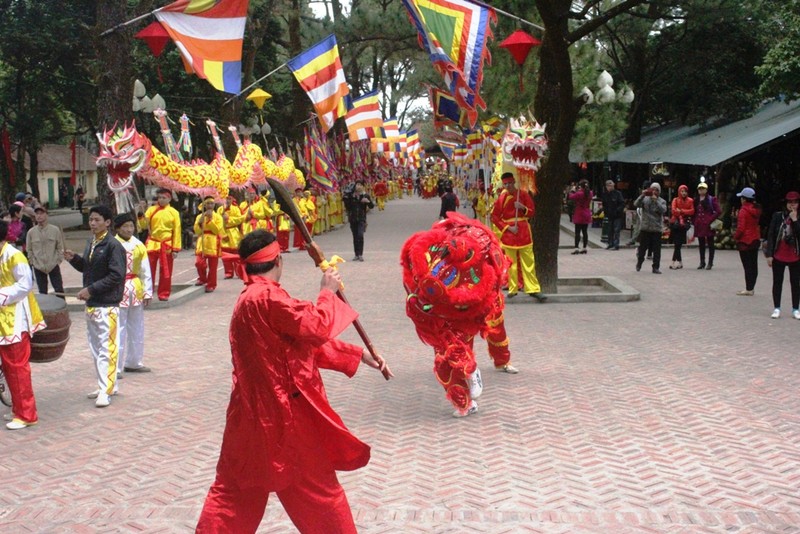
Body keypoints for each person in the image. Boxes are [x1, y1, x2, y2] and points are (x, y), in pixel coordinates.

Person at [196, 229, 390, 533]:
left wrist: (356, 354)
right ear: (278, 260)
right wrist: (326, 291)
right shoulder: (269, 297)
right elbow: (314, 327)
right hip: (287, 417)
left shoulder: (249, 298)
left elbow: (291, 346)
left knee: (234, 495)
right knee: (319, 494)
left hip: (247, 416)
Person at [64, 206, 126, 408]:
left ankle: (105, 390)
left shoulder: (113, 245)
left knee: (107, 349)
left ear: (108, 222)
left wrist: (91, 289)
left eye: (97, 220)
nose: (92, 223)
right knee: (96, 348)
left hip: (107, 304)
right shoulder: (91, 242)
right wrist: (75, 260)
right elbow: (88, 269)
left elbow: (116, 276)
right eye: (91, 220)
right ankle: (107, 384)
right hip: (92, 304)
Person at [0, 219, 46, 430]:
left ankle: (27, 414)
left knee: (16, 367)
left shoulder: (14, 255)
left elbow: (25, 284)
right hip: (3, 317)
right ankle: (18, 409)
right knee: (8, 368)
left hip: (15, 319)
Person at [491, 172, 546, 301]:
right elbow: (495, 217)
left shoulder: (523, 195)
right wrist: (508, 228)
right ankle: (512, 288)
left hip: (524, 232)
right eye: (506, 184)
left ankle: (533, 289)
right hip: (509, 234)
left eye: (510, 183)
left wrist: (522, 207)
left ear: (514, 182)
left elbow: (532, 211)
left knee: (528, 262)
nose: (508, 186)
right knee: (511, 263)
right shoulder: (502, 198)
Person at [114, 213, 153, 374]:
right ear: (118, 228)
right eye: (125, 226)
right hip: (118, 288)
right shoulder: (113, 244)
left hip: (135, 288)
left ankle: (134, 361)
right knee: (118, 328)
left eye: (131, 226)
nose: (129, 229)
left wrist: (147, 292)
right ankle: (115, 367)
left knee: (137, 326)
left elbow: (145, 269)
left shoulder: (139, 245)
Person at [765, 191, 800, 319]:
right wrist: (769, 254)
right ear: (785, 203)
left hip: (795, 256)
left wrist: (795, 220)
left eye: (795, 202)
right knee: (777, 282)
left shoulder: (798, 217)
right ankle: (776, 308)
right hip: (779, 255)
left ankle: (795, 309)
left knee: (795, 283)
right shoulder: (777, 216)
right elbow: (771, 235)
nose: (792, 205)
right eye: (790, 202)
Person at [144, 188, 182, 301]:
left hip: (167, 245)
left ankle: (164, 293)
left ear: (169, 199)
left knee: (166, 271)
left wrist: (175, 249)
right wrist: (141, 217)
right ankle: (147, 293)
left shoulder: (174, 212)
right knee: (148, 270)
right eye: (159, 197)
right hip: (153, 244)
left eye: (163, 198)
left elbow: (177, 231)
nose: (161, 200)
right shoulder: (151, 210)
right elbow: (143, 225)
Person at [25, 206, 65, 298]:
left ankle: (62, 309)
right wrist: (33, 262)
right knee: (42, 292)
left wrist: (58, 260)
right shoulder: (31, 232)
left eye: (41, 213)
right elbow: (29, 249)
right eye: (37, 214)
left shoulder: (55, 230)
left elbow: (59, 247)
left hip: (53, 264)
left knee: (59, 289)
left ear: (46, 215)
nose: (39, 216)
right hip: (38, 265)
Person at [733, 187, 762, 296]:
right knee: (754, 265)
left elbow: (741, 228)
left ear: (744, 199)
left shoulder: (743, 211)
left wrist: (735, 237)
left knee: (747, 266)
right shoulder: (757, 210)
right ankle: (751, 287)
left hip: (745, 241)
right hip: (755, 239)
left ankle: (748, 288)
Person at [634, 182, 667, 274]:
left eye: (657, 190)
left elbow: (663, 210)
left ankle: (655, 267)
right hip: (645, 228)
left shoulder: (662, 201)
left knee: (657, 250)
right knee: (642, 248)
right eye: (653, 189)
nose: (655, 191)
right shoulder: (645, 199)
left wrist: (656, 201)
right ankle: (639, 262)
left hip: (656, 229)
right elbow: (636, 204)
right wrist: (642, 195)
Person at [194, 196, 224, 293]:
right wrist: (200, 223)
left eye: (211, 203)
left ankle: (211, 284)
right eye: (208, 203)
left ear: (214, 205)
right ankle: (202, 278)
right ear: (204, 205)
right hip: (202, 241)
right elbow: (197, 231)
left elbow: (216, 230)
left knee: (213, 266)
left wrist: (210, 220)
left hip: (213, 241)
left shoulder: (218, 217)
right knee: (199, 263)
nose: (209, 205)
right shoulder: (199, 216)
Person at [343, 180, 374, 262]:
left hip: (361, 219)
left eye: (360, 185)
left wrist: (368, 202)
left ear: (363, 186)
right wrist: (347, 198)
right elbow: (348, 207)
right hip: (353, 219)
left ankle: (360, 254)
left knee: (360, 235)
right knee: (355, 236)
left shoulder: (365, 195)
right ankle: (356, 254)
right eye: (357, 185)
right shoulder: (351, 196)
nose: (359, 186)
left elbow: (372, 206)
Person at [693, 181, 721, 269]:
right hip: (699, 224)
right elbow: (694, 212)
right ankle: (702, 262)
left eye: (703, 189)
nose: (701, 191)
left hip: (708, 224)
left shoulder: (711, 199)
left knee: (710, 243)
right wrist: (695, 221)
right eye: (700, 189)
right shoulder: (696, 200)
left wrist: (710, 219)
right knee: (701, 244)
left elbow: (718, 211)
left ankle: (710, 262)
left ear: (706, 190)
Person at [218, 194, 244, 279]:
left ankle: (239, 271)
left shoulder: (236, 209)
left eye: (229, 199)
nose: (228, 201)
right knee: (225, 255)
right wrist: (223, 234)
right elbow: (217, 222)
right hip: (224, 232)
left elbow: (240, 219)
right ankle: (228, 272)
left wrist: (228, 219)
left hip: (234, 233)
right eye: (226, 199)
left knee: (236, 254)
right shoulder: (220, 209)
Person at [669, 184, 695, 269]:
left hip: (684, 224)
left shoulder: (690, 200)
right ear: (679, 192)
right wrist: (682, 213)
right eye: (682, 191)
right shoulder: (675, 200)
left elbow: (692, 211)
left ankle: (676, 262)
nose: (684, 193)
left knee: (678, 244)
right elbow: (673, 210)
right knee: (677, 244)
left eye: (685, 191)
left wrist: (681, 211)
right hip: (676, 224)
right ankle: (676, 262)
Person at [568, 179, 593, 254]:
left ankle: (576, 248)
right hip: (586, 213)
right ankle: (584, 247)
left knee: (577, 232)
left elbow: (571, 197)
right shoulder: (590, 193)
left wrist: (572, 190)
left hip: (579, 213)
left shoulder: (579, 193)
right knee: (585, 232)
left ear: (580, 186)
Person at [601, 179, 625, 250]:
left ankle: (616, 244)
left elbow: (622, 203)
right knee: (610, 230)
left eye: (611, 185)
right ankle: (610, 243)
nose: (609, 187)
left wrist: (617, 210)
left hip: (617, 215)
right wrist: (606, 212)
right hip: (609, 215)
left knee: (616, 230)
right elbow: (604, 204)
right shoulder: (605, 194)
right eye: (608, 186)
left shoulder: (618, 193)